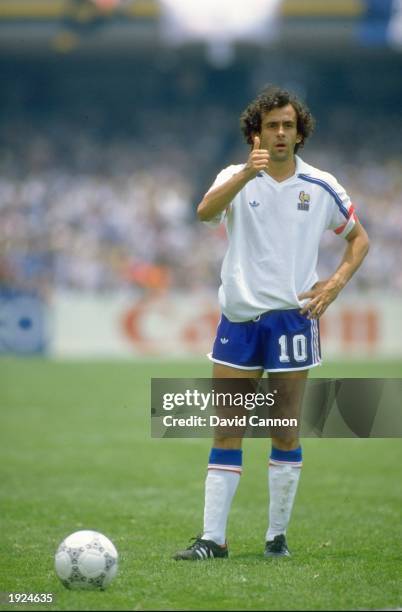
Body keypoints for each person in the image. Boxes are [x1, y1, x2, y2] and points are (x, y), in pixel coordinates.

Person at [173, 85, 369, 561]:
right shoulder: (236, 177)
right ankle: (212, 540)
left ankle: (275, 537)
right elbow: (203, 214)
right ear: (255, 134)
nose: (280, 133)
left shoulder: (321, 186)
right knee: (227, 430)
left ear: (300, 134)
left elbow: (358, 239)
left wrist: (336, 282)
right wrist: (245, 174)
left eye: (288, 125)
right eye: (271, 126)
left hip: (292, 322)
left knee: (283, 431)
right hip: (239, 319)